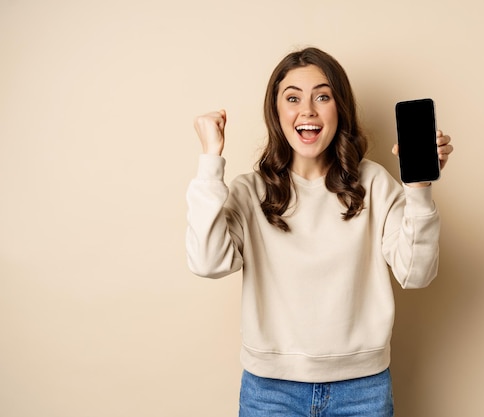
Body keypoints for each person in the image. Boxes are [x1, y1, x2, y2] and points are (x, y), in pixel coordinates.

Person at [186, 47, 453, 417]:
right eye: (292, 98)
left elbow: (417, 273)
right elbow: (207, 262)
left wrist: (419, 188)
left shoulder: (374, 183)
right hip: (270, 392)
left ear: (339, 108)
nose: (307, 110)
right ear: (276, 112)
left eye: (322, 97)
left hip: (363, 390)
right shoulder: (250, 191)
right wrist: (210, 162)